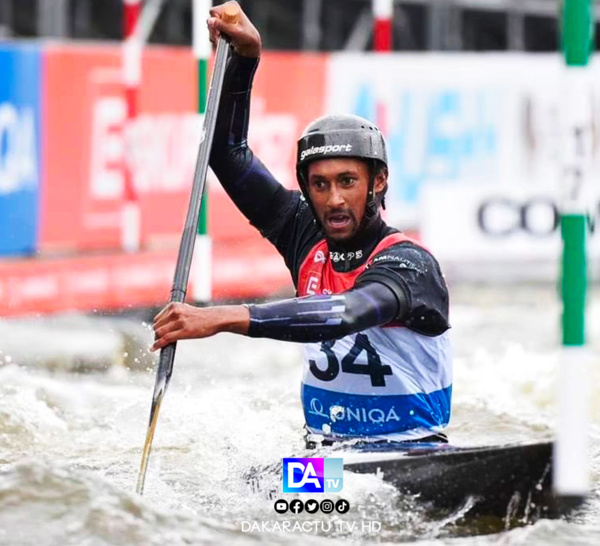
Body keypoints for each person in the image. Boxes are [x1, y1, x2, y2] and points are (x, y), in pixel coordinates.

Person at [152, 1, 452, 446]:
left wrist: (221, 317)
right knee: (235, 502)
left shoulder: (411, 265)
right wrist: (244, 58)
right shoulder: (302, 231)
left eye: (348, 181)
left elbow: (345, 313)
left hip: (413, 455)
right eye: (320, 184)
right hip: (322, 461)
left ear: (379, 181)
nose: (334, 199)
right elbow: (226, 155)